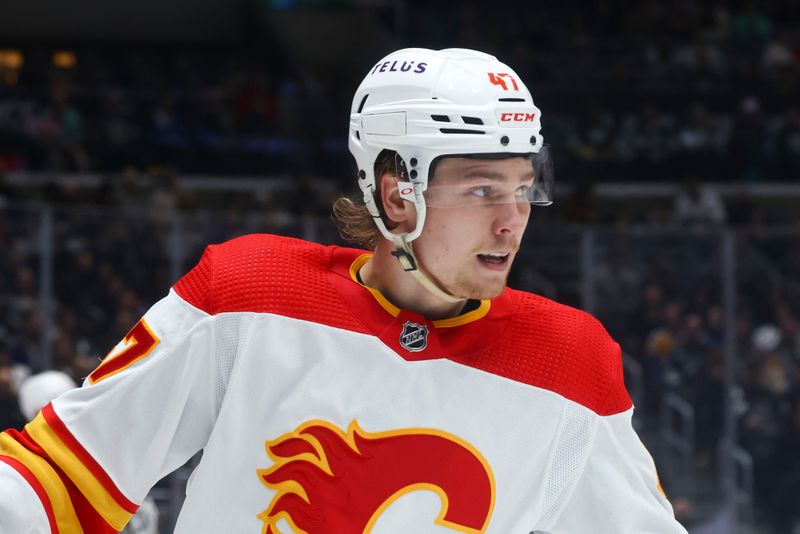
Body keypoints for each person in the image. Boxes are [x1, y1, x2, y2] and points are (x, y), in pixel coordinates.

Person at [0, 48, 687, 533]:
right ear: (395, 194)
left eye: (522, 189)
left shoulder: (570, 363)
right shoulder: (248, 296)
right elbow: (61, 482)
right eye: (481, 190)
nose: (512, 221)